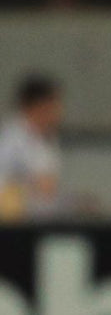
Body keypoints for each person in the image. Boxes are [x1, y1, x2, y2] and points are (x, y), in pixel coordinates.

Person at [0, 74, 64, 222]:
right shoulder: (12, 137)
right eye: (55, 104)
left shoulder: (46, 139)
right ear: (40, 105)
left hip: (40, 221)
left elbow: (50, 188)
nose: (59, 111)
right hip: (14, 224)